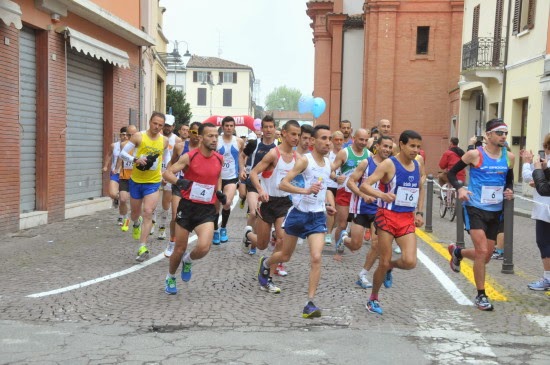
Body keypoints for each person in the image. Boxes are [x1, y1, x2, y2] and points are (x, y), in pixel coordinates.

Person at [257, 125, 336, 318]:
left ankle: (309, 303)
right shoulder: (304, 161)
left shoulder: (328, 164)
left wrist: (327, 203)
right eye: (323, 138)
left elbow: (323, 187)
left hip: (317, 217)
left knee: (316, 257)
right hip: (298, 214)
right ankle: (266, 262)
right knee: (284, 255)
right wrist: (305, 191)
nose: (327, 142)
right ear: (313, 142)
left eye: (329, 138)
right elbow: (282, 183)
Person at [447, 119, 515, 311]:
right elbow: (452, 174)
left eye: (505, 133)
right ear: (488, 135)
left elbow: (508, 180)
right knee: (483, 251)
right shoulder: (474, 155)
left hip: (496, 210)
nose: (503, 136)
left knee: (484, 256)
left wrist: (509, 190)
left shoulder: (509, 157)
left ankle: (457, 252)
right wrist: (460, 188)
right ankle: (481, 295)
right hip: (475, 207)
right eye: (499, 132)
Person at [359, 130, 425, 315]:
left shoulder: (418, 163)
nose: (415, 150)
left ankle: (391, 267)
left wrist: (419, 212)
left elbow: (421, 187)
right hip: (386, 216)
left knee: (410, 261)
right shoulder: (389, 164)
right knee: (383, 260)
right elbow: (365, 185)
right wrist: (382, 195)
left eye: (418, 146)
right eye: (412, 146)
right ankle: (373, 298)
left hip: (406, 218)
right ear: (401, 145)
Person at [162, 122, 226, 295]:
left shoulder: (220, 158)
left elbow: (217, 176)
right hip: (188, 207)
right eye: (210, 136)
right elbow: (167, 173)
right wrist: (178, 181)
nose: (214, 139)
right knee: (179, 248)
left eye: (216, 136)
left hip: (206, 209)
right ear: (201, 137)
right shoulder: (190, 156)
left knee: (204, 247)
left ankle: (188, 261)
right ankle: (170, 276)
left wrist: (219, 192)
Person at [247, 120, 301, 292]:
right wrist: (260, 189)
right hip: (268, 202)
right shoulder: (273, 154)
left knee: (282, 238)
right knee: (262, 244)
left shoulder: (297, 158)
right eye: (293, 134)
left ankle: (267, 276)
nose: (296, 138)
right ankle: (248, 234)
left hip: (285, 203)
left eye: (298, 135)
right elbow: (254, 173)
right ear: (283, 133)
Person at [338, 135, 394, 289]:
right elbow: (350, 182)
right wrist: (363, 195)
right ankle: (344, 238)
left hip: (379, 210)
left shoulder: (392, 165)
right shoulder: (366, 163)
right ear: (377, 146)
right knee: (356, 245)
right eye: (385, 146)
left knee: (376, 244)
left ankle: (363, 274)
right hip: (361, 208)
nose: (387, 150)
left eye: (390, 147)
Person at [119, 112, 169, 262]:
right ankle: (136, 222)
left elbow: (165, 156)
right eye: (155, 123)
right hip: (136, 180)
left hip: (153, 182)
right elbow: (122, 153)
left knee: (148, 211)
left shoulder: (164, 141)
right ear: (150, 122)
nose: (157, 127)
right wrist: (135, 159)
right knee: (135, 213)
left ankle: (142, 247)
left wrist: (163, 171)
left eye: (160, 125)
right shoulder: (139, 136)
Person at [163, 122, 201, 257]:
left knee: (193, 218)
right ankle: (172, 241)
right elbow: (172, 162)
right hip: (180, 184)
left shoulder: (204, 149)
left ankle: (184, 243)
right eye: (194, 132)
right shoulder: (180, 146)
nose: (197, 136)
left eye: (199, 133)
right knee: (175, 215)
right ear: (189, 132)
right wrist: (167, 174)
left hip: (196, 187)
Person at [240, 116, 277, 255]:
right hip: (254, 183)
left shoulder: (278, 147)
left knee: (267, 217)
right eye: (265, 127)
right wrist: (242, 169)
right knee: (254, 212)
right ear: (261, 129)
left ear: (274, 128)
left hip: (270, 186)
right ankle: (248, 235)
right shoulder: (254, 144)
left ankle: (254, 238)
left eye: (271, 127)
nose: (268, 130)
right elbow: (242, 155)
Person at [331, 129, 370, 252]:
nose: (363, 142)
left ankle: (348, 241)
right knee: (342, 224)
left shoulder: (369, 155)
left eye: (366, 140)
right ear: (354, 138)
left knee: (356, 225)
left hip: (360, 195)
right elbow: (330, 170)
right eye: (361, 139)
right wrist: (336, 178)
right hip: (345, 192)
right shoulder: (345, 153)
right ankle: (339, 248)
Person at [522, 136, 550, 291]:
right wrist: (543, 172)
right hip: (545, 209)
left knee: (544, 242)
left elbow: (544, 189)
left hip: (545, 210)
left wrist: (530, 164)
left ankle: (547, 278)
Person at [214, 116, 245, 245]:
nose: (229, 128)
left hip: (231, 177)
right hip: (216, 178)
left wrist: (242, 170)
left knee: (227, 203)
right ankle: (215, 230)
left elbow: (241, 157)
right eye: (226, 126)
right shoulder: (216, 141)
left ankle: (223, 228)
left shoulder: (238, 142)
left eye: (231, 126)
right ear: (222, 127)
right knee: (216, 207)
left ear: (234, 127)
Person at [158, 115, 182, 240]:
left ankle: (162, 227)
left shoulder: (177, 140)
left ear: (173, 126)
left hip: (168, 172)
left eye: (169, 125)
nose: (166, 128)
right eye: (165, 125)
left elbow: (177, 160)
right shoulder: (156, 137)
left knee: (165, 202)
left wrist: (169, 173)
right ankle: (151, 221)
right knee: (150, 202)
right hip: (155, 171)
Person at [102, 127, 130, 224]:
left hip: (126, 174)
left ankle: (123, 216)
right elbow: (109, 155)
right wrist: (105, 166)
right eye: (123, 134)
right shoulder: (114, 145)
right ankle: (117, 200)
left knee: (123, 199)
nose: (125, 136)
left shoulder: (131, 146)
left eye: (127, 134)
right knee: (113, 194)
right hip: (115, 173)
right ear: (120, 135)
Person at [117, 125, 138, 231]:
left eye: (133, 135)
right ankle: (125, 218)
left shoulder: (140, 145)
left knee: (136, 203)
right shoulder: (123, 144)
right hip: (124, 176)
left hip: (137, 177)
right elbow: (121, 157)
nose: (130, 137)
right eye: (128, 135)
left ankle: (136, 221)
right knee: (123, 199)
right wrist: (117, 169)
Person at [325, 130, 345, 245]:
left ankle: (338, 233)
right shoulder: (328, 154)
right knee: (331, 209)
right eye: (336, 139)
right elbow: (328, 169)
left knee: (339, 215)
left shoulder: (346, 153)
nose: (338, 142)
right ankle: (328, 234)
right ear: (332, 140)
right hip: (330, 186)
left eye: (340, 140)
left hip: (342, 187)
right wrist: (335, 178)